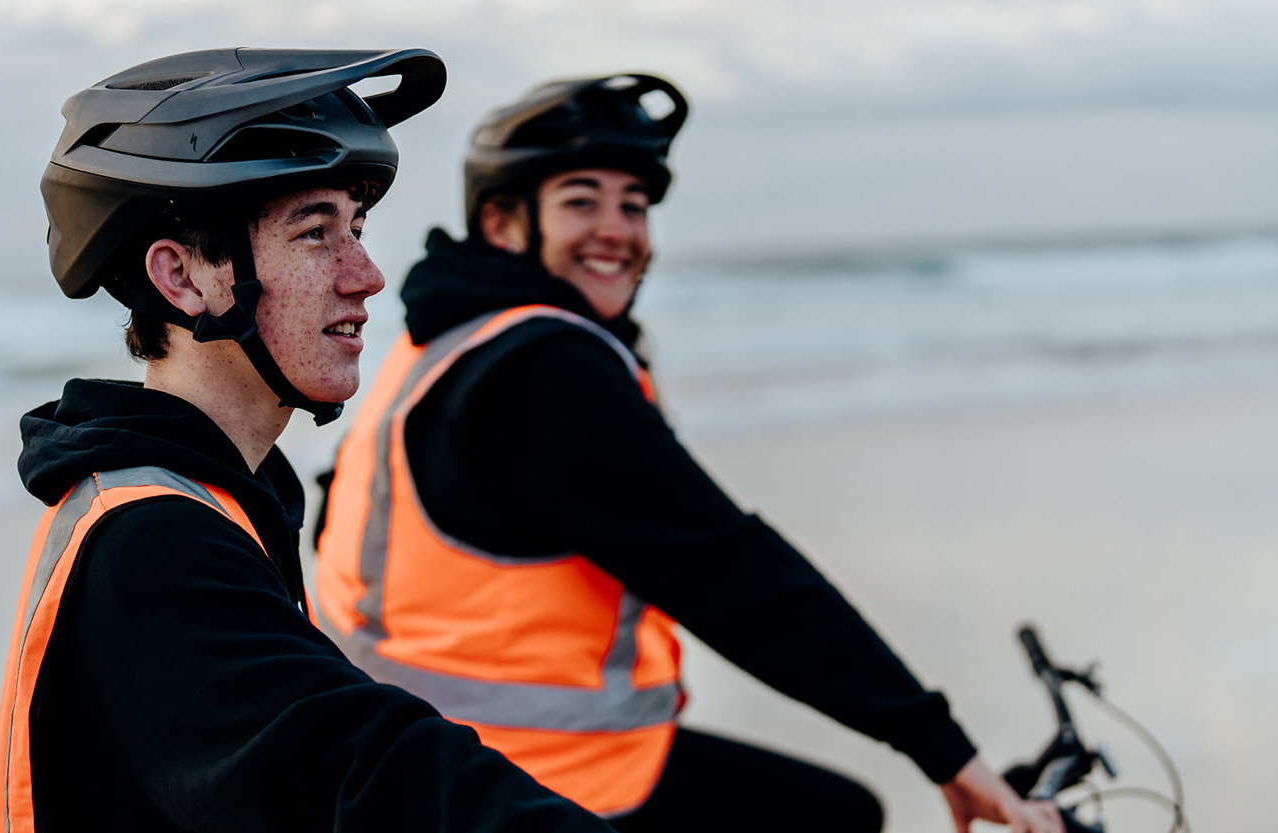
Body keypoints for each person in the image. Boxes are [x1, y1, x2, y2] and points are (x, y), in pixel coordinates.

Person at [311, 73, 1065, 833]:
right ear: (504, 222)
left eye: (633, 206)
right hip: (517, 779)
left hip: (401, 754)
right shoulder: (542, 371)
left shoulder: (442, 337)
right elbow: (728, 573)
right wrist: (946, 752)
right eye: (581, 199)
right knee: (836, 818)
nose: (617, 229)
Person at [0, 48, 621, 833]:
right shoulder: (147, 540)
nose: (366, 273)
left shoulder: (217, 495)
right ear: (182, 278)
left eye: (356, 227)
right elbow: (364, 762)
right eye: (316, 233)